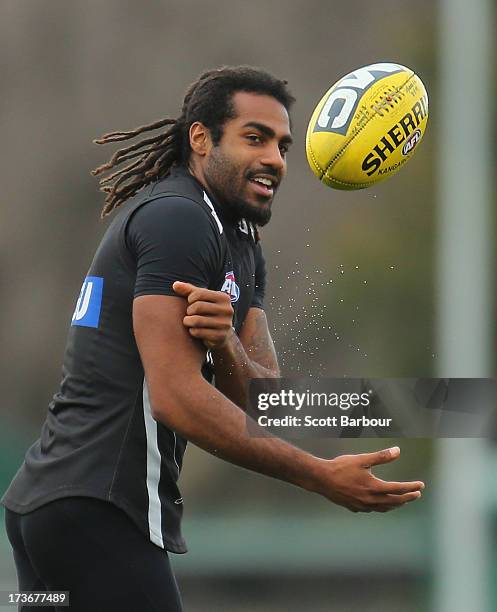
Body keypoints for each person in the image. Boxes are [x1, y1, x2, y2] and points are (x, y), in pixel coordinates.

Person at [2, 66, 425, 612]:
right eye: (255, 137)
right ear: (200, 139)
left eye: (283, 144)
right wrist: (322, 477)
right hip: (94, 506)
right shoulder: (178, 218)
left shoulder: (241, 241)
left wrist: (225, 341)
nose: (275, 157)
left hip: (59, 511)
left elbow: (263, 401)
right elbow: (177, 397)